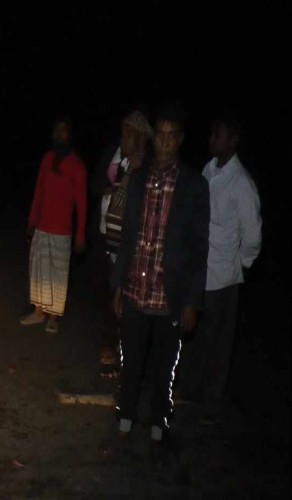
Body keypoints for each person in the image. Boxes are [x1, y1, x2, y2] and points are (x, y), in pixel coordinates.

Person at [101, 104, 210, 463]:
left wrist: (192, 301)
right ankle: (124, 424)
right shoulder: (140, 175)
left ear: (179, 140)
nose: (163, 142)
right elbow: (128, 235)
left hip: (169, 297)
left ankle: (158, 429)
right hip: (134, 290)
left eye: (170, 136)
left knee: (164, 368)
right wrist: (118, 286)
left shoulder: (194, 185)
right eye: (158, 135)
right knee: (130, 364)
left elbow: (198, 247)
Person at [177, 112, 262, 425]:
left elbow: (252, 236)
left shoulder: (241, 183)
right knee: (194, 336)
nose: (212, 139)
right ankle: (188, 390)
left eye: (218, 134)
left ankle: (211, 405)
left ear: (233, 141)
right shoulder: (209, 171)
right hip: (201, 271)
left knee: (218, 345)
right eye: (212, 134)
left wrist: (241, 265)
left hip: (224, 277)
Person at [91, 110, 153, 377]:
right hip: (105, 235)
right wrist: (105, 188)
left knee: (124, 300)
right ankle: (108, 349)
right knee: (106, 295)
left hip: (129, 244)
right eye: (123, 131)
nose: (124, 138)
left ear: (141, 139)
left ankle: (124, 356)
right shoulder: (112, 154)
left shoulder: (147, 167)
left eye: (130, 134)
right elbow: (95, 182)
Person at [20, 116, 87, 333]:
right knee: (38, 270)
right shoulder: (47, 159)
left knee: (57, 274)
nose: (60, 135)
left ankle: (53, 317)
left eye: (64, 130)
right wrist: (31, 221)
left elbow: (82, 203)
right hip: (41, 226)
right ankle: (39, 312)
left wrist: (80, 234)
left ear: (70, 134)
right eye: (57, 130)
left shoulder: (77, 166)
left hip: (62, 231)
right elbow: (38, 191)